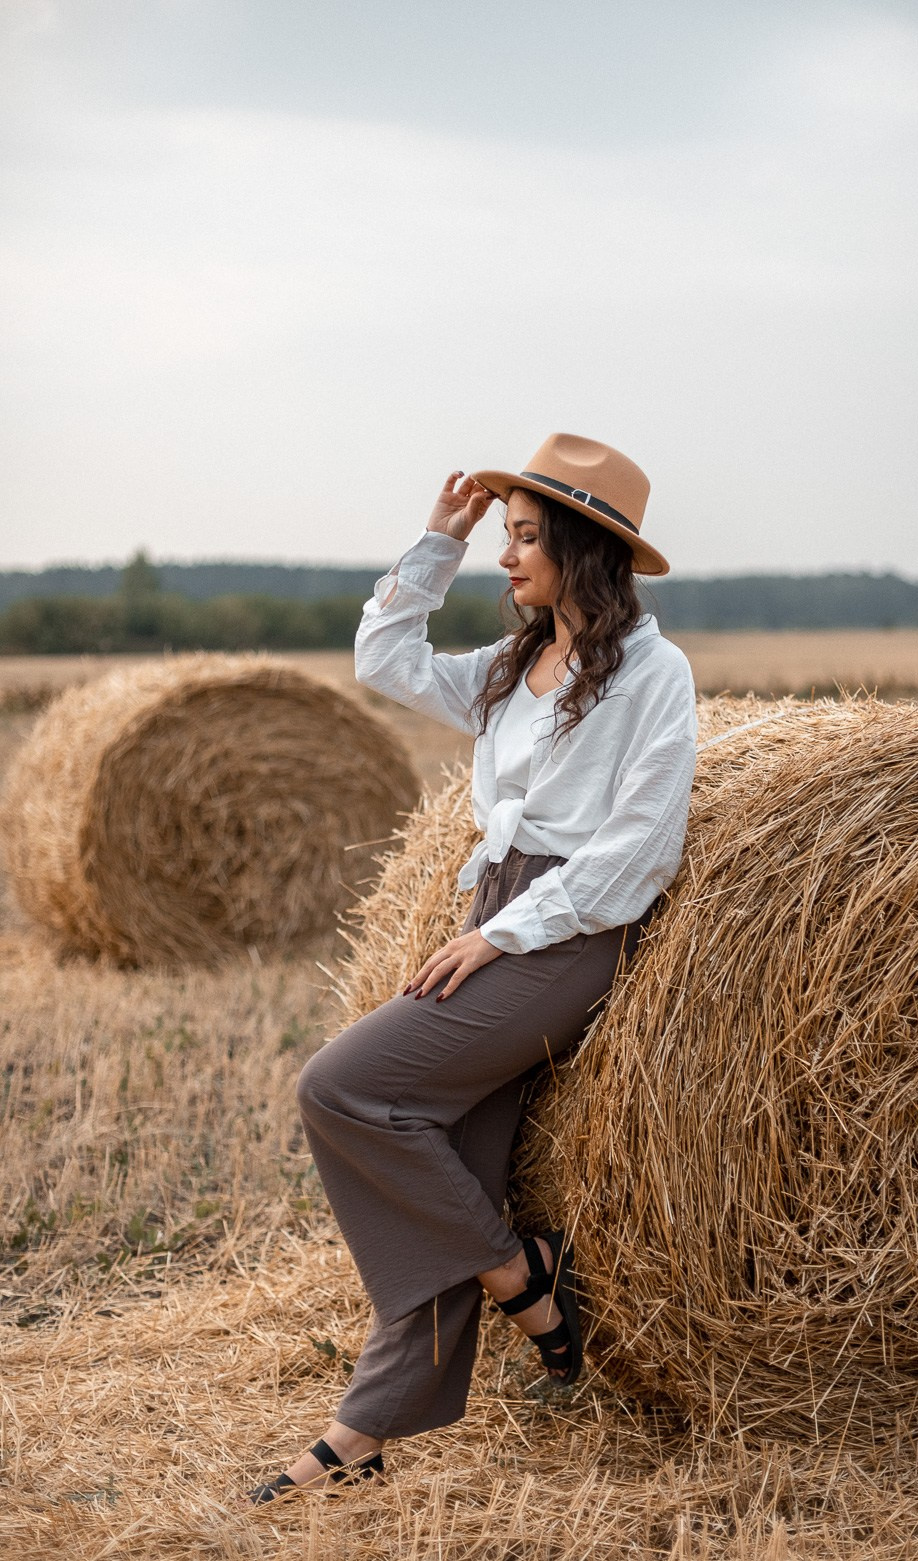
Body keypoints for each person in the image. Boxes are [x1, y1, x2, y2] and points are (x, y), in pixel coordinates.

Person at [249, 432, 697, 1502]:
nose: (509, 557)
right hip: (495, 912)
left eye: (526, 538)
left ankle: (513, 1271)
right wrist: (435, 545)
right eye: (505, 538)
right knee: (447, 1153)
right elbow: (383, 663)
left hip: (568, 932)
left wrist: (504, 933)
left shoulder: (651, 673)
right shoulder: (510, 668)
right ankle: (366, 1428)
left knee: (343, 1089)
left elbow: (642, 844)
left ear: (585, 548)